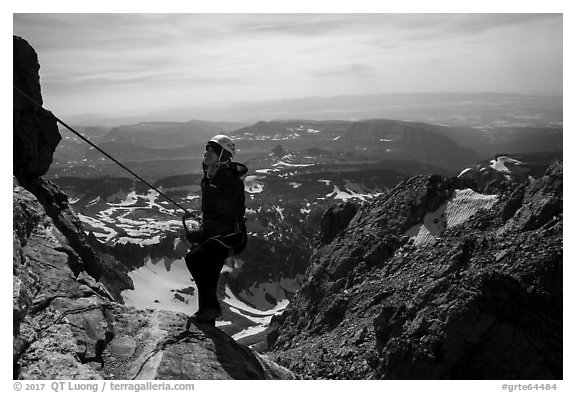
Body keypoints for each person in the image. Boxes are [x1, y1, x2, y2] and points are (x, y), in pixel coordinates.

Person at [184, 134, 248, 325]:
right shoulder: (210, 178)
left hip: (230, 237)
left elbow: (231, 217)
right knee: (208, 270)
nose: (206, 154)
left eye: (211, 151)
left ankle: (210, 308)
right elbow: (214, 213)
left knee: (195, 259)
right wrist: (201, 224)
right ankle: (207, 315)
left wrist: (203, 232)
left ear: (223, 155)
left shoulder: (231, 183)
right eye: (206, 150)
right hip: (218, 235)